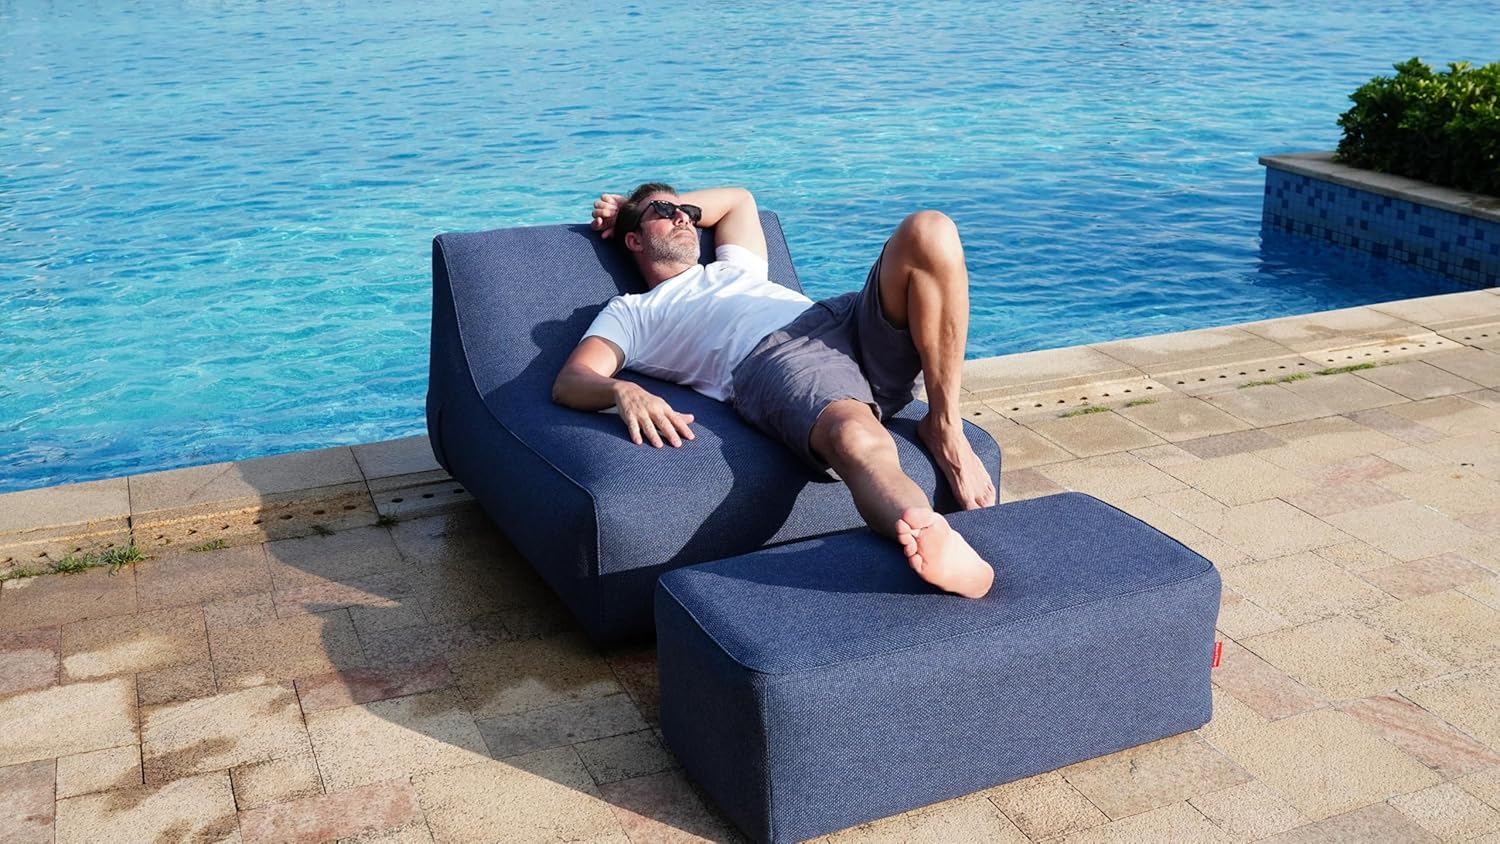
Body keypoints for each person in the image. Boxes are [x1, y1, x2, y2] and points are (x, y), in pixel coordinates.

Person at [551, 183, 997, 598]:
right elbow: (572, 380)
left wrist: (652, 208)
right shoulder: (634, 312)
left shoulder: (732, 264)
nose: (685, 218)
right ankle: (928, 532)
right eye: (668, 213)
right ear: (633, 240)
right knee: (855, 436)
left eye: (687, 211)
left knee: (929, 229)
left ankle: (943, 423)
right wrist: (621, 391)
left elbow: (740, 200)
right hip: (777, 359)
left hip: (840, 321)